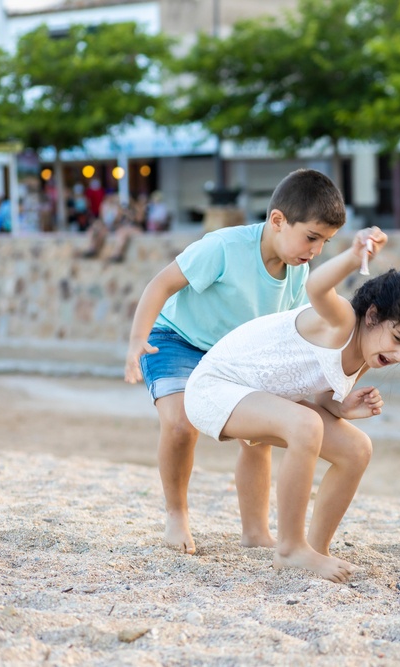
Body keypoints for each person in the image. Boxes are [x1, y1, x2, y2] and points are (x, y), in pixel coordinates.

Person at [184, 239, 400, 581]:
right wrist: (354, 257)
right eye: (399, 339)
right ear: (371, 316)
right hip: (214, 388)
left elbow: (321, 396)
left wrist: (344, 408)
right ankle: (290, 548)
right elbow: (316, 285)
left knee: (357, 449)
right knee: (305, 424)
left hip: (262, 398)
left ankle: (315, 549)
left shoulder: (367, 354)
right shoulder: (341, 322)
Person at [124, 169, 346, 555]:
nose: (316, 250)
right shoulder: (224, 247)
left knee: (256, 437)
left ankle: (256, 531)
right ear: (277, 220)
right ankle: (176, 514)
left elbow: (292, 334)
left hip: (235, 356)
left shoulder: (299, 275)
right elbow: (161, 283)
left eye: (325, 242)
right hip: (177, 340)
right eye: (312, 237)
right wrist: (136, 341)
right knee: (180, 425)